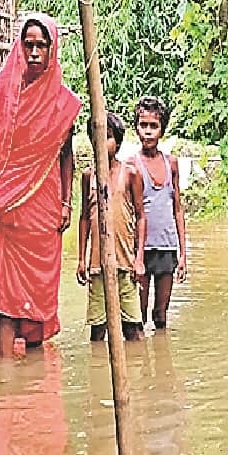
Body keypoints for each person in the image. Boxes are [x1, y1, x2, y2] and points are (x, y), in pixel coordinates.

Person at [0, 13, 80, 357]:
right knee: (4, 300)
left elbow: (65, 155)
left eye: (42, 45)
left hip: (42, 210)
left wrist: (66, 202)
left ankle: (34, 388)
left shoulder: (63, 103)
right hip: (4, 211)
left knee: (39, 293)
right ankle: (4, 380)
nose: (34, 53)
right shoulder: (5, 92)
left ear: (52, 50)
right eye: (28, 45)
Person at [77, 112, 146, 341]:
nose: (102, 142)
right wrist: (81, 259)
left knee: (133, 329)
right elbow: (85, 218)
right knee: (98, 331)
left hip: (125, 262)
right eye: (96, 137)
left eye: (107, 137)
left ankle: (136, 372)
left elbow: (140, 216)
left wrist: (139, 259)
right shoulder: (89, 176)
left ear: (118, 141)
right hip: (97, 265)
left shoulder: (130, 174)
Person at [132, 96, 187, 330]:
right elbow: (130, 212)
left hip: (167, 246)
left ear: (162, 129)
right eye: (143, 126)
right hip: (141, 249)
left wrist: (183, 253)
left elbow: (177, 209)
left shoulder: (171, 164)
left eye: (153, 126)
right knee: (138, 315)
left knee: (161, 315)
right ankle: (141, 363)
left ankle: (163, 361)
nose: (148, 132)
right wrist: (133, 255)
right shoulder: (131, 166)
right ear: (136, 128)